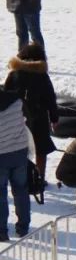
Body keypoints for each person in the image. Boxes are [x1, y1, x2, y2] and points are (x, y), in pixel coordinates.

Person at [4, 43, 59, 181]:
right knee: (41, 149)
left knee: (18, 148)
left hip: (16, 117)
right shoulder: (42, 76)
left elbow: (5, 97)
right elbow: (50, 98)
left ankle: (20, 177)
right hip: (39, 117)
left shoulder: (14, 74)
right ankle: (39, 178)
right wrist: (54, 118)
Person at [0, 89, 31, 242]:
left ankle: (2, 232)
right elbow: (28, 120)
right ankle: (23, 228)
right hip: (19, 151)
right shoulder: (17, 101)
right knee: (21, 191)